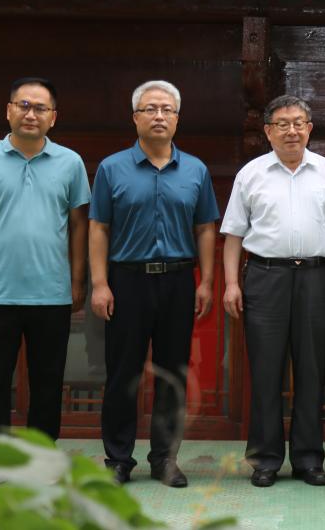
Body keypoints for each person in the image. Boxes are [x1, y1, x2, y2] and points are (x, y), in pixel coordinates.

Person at [89, 80, 219, 487]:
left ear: (177, 118)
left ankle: (165, 459)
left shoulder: (195, 170)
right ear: (135, 118)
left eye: (167, 109)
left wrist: (206, 281)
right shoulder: (112, 168)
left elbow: (205, 228)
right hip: (127, 280)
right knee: (122, 372)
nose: (159, 116)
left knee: (172, 374)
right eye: (150, 109)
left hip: (179, 280)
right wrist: (99, 283)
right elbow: (98, 227)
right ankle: (118, 460)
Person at [221, 94, 325, 488]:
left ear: (309, 129)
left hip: (315, 277)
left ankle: (309, 459)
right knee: (265, 371)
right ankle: (265, 459)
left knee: (312, 370)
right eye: (282, 124)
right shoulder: (251, 174)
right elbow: (233, 235)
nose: (291, 131)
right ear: (268, 131)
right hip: (266, 277)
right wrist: (231, 283)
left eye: (298, 123)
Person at [0, 77, 90, 453]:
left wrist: (78, 280)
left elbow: (80, 226)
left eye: (40, 108)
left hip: (52, 294)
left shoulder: (71, 163)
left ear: (53, 117)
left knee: (48, 383)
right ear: (9, 111)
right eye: (24, 105)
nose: (31, 114)